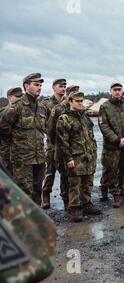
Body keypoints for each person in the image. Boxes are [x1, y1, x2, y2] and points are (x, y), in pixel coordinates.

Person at [0, 73, 47, 205]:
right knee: (24, 192)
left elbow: (44, 129)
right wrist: (16, 146)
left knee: (38, 190)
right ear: (26, 86)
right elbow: (3, 128)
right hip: (22, 159)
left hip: (39, 158)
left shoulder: (42, 107)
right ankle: (24, 223)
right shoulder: (16, 106)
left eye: (40, 85)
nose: (39, 88)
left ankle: (37, 221)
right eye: (36, 85)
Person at [56, 91, 102, 222]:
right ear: (70, 101)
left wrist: (93, 151)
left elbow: (90, 135)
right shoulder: (64, 118)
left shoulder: (85, 117)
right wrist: (68, 158)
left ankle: (87, 204)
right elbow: (62, 142)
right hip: (75, 157)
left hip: (88, 155)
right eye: (78, 101)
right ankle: (75, 208)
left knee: (88, 182)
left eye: (82, 101)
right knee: (75, 184)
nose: (81, 103)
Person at [98, 82, 124, 208]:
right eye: (115, 89)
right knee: (112, 170)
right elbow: (103, 125)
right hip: (112, 146)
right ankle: (116, 194)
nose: (117, 92)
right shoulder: (105, 107)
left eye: (119, 89)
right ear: (110, 91)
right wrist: (116, 140)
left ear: (122, 92)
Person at [47, 85, 80, 211]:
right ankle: (66, 200)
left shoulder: (78, 107)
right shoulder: (58, 108)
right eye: (74, 92)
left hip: (76, 148)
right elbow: (50, 130)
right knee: (64, 175)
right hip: (61, 147)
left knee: (75, 175)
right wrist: (58, 144)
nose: (77, 95)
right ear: (69, 95)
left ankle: (76, 200)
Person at [41, 78, 66, 209]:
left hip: (65, 144)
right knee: (50, 171)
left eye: (64, 86)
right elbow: (44, 123)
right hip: (52, 143)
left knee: (65, 172)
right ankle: (46, 195)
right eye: (60, 86)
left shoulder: (67, 103)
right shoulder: (46, 104)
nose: (63, 88)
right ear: (54, 87)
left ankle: (66, 198)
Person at [0, 87, 23, 172]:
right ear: (9, 97)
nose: (20, 99)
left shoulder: (20, 112)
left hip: (18, 153)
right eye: (17, 97)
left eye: (21, 96)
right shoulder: (3, 112)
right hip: (6, 152)